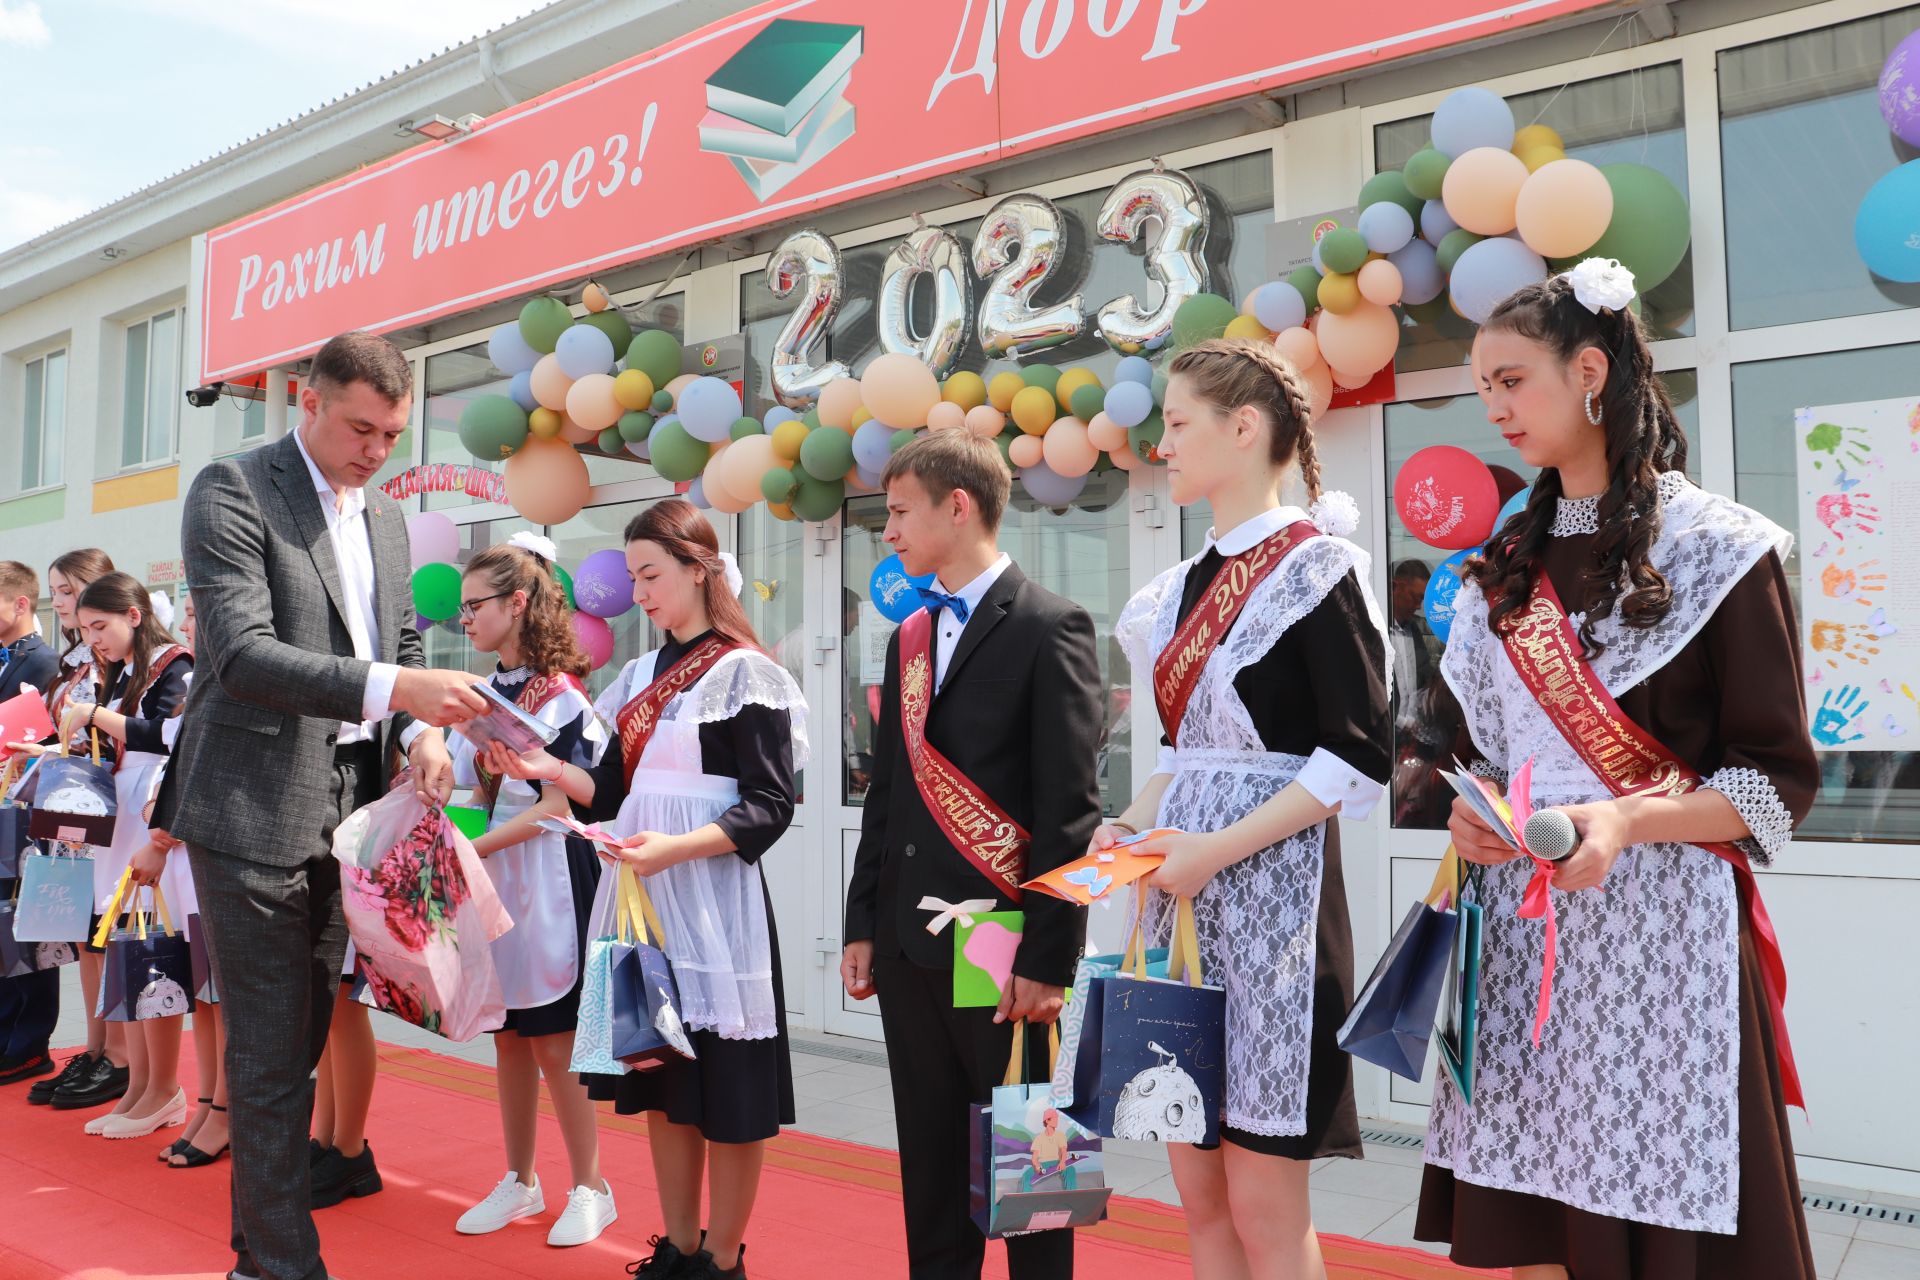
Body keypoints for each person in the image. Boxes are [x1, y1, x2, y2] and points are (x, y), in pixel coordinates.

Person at [1414, 260, 1821, 1279]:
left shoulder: (1719, 549)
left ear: (1589, 370)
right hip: (1521, 934)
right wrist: (1477, 815)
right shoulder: (1501, 566)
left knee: (1659, 1232)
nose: (1493, 406)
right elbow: (1485, 753)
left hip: (1661, 947)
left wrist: (1628, 821)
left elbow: (1773, 780)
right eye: (1483, 388)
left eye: (1512, 380)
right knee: (1536, 1228)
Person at [152, 330, 488, 1280]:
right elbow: (244, 654)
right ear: (306, 399)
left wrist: (421, 730)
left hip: (345, 818)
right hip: (251, 806)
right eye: (360, 428)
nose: (377, 450)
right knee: (265, 1054)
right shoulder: (233, 488)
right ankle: (284, 1267)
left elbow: (406, 645)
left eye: (392, 435)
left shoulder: (384, 520)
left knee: (293, 1049)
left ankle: (255, 1252)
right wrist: (397, 695)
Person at [1103, 338, 1392, 1280]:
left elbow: (1357, 756)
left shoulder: (1319, 570)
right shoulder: (1172, 593)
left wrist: (1214, 851)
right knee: (1200, 1196)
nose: (1164, 443)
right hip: (1182, 901)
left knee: (1267, 1201)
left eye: (1179, 423)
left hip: (1277, 908)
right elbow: (1183, 758)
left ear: (1244, 427)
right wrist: (1133, 819)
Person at [488, 498, 807, 1280]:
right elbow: (609, 786)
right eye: (631, 576)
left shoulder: (745, 673)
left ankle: (724, 1258)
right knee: (660, 1076)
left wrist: (677, 849)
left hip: (711, 900)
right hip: (642, 897)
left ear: (700, 569)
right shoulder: (638, 674)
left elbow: (771, 805)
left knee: (729, 1092)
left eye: (651, 574)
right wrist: (543, 771)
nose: (638, 593)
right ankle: (681, 1243)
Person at [842, 429, 1103, 1280]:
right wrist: (862, 922)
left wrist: (1050, 955)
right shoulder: (909, 637)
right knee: (930, 1160)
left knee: (1032, 1173)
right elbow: (889, 794)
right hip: (913, 942)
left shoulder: (1050, 624)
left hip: (1001, 947)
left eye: (901, 511)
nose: (889, 532)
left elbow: (1071, 810)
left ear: (959, 507)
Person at [446, 534, 614, 1248]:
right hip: (491, 878)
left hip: (548, 877)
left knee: (555, 1043)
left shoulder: (566, 698)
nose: (465, 620)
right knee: (508, 1039)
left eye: (475, 605)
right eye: (461, 609)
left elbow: (565, 805)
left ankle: (592, 1186)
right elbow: (462, 786)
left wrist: (471, 849)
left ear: (518, 603)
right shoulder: (482, 692)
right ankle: (520, 1179)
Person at [44, 572, 196, 1139]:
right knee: (126, 948)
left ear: (134, 614)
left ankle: (163, 1088)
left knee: (153, 949)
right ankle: (141, 1086)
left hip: (150, 820)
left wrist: (95, 715)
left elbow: (166, 738)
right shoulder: (122, 672)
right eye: (84, 631)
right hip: (123, 815)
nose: (93, 641)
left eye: (99, 626)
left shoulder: (173, 666)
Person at [25, 549, 129, 1112]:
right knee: (84, 934)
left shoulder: (114, 660)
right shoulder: (72, 661)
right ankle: (95, 1050)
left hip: (107, 807)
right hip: (70, 806)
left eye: (67, 591)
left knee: (106, 933)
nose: (60, 603)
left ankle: (118, 1057)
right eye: (57, 593)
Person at [0, 560, 61, 1089]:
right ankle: (5, 1036)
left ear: (22, 604)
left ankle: (30, 1043)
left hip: (26, 812)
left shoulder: (46, 663)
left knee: (30, 924)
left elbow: (45, 738)